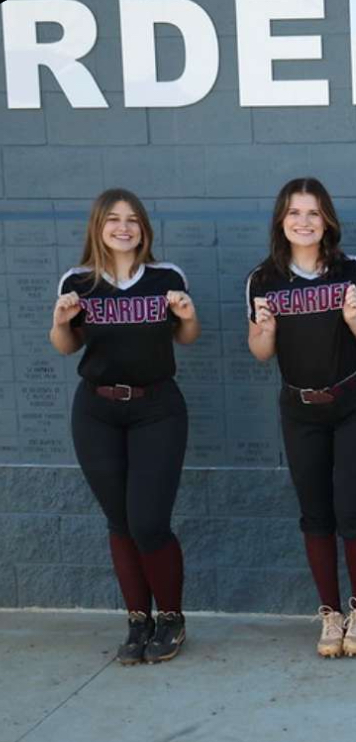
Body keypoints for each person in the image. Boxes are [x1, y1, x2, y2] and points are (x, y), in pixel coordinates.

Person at [50, 188, 199, 664]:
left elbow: (187, 337)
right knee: (119, 522)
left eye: (133, 220)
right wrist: (60, 321)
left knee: (149, 522)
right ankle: (138, 620)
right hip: (97, 410)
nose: (123, 227)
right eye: (113, 219)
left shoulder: (166, 277)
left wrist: (188, 316)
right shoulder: (78, 282)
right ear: (98, 226)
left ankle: (171, 618)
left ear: (144, 229)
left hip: (157, 407)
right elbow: (66, 347)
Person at [247, 177, 356, 658]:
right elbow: (261, 352)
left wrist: (353, 318)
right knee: (315, 515)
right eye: (293, 213)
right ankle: (330, 614)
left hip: (354, 405)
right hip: (300, 409)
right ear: (280, 222)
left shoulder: (351, 270)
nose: (303, 222)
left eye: (312, 212)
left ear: (326, 218)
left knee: (353, 510)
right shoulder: (263, 278)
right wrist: (265, 329)